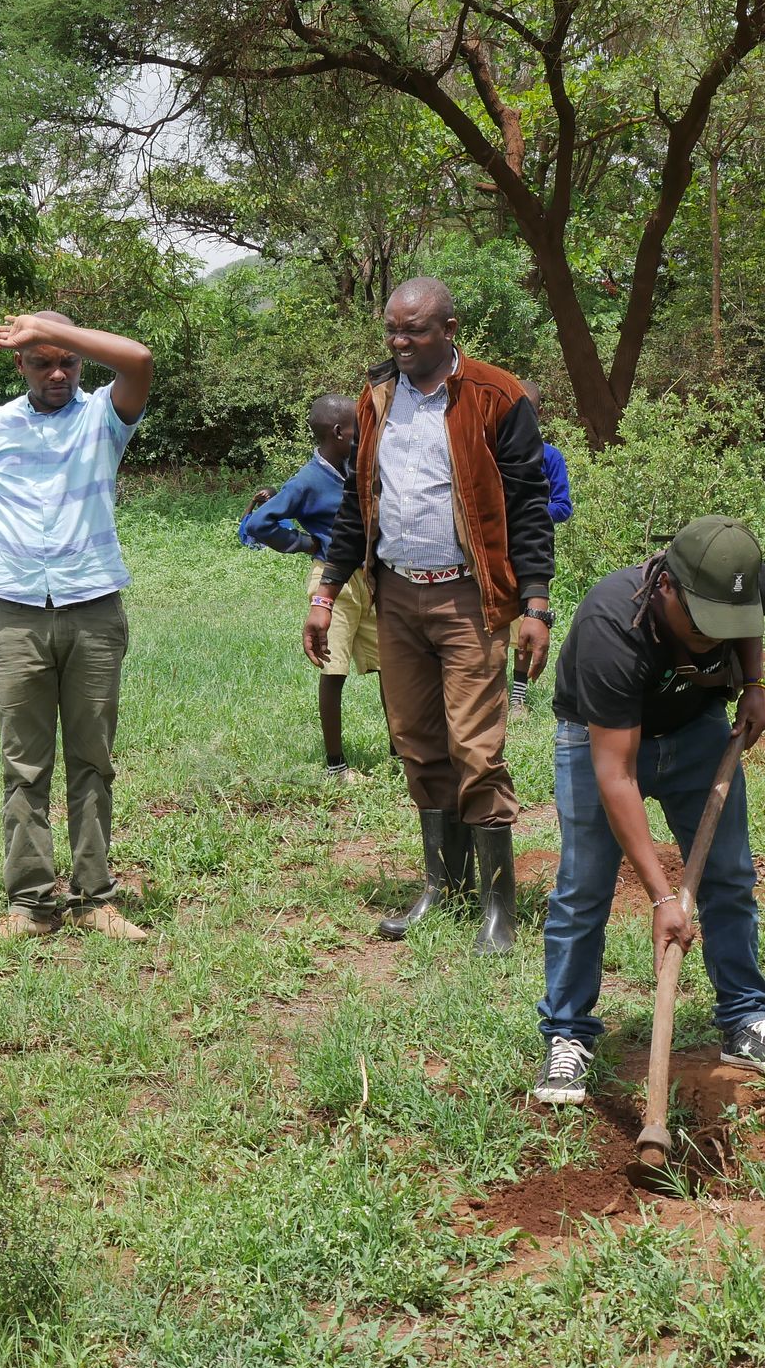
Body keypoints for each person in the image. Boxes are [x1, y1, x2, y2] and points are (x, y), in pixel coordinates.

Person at [307, 277, 555, 955]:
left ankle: (498, 910)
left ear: (448, 329)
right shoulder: (377, 399)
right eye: (391, 328)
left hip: (469, 600)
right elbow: (358, 504)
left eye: (413, 330)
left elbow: (530, 507)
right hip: (396, 595)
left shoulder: (496, 397)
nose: (398, 341)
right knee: (418, 743)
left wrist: (535, 603)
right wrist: (327, 590)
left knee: (476, 748)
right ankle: (442, 888)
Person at [532, 516, 765, 1106]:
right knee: (583, 888)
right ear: (666, 588)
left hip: (697, 729)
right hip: (597, 743)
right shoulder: (612, 626)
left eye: (724, 625)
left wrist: (754, 682)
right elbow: (617, 775)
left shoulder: (735, 578)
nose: (712, 639)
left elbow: (747, 622)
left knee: (729, 876)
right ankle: (567, 1034)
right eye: (701, 624)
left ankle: (744, 1019)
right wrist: (662, 897)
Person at [0, 311, 154, 942]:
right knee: (22, 763)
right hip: (16, 617)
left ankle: (94, 898)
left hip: (93, 609)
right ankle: (29, 903)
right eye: (41, 362)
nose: (58, 373)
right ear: (19, 366)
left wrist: (49, 331)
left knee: (93, 757)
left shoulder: (101, 419)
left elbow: (137, 357)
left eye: (68, 362)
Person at [240, 393, 381, 782]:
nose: (364, 432)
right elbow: (258, 524)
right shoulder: (307, 480)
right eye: (357, 426)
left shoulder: (357, 468)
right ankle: (336, 765)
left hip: (370, 578)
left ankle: (400, 752)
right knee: (334, 670)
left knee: (390, 666)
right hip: (331, 582)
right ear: (338, 432)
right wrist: (306, 543)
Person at [508, 380, 573, 713]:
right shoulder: (494, 451)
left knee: (527, 619)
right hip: (494, 551)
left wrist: (529, 511)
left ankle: (518, 695)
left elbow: (563, 506)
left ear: (539, 413)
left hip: (531, 551)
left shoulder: (550, 456)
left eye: (528, 412)